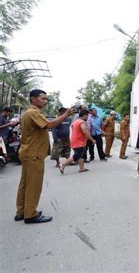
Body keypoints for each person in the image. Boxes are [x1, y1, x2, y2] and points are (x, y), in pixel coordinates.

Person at [15, 89, 75, 224]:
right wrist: (66, 114)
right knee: (34, 185)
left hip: (28, 153)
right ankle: (30, 214)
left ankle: (21, 211)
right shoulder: (33, 112)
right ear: (33, 99)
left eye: (46, 99)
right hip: (33, 154)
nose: (46, 101)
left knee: (25, 184)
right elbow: (49, 125)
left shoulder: (30, 112)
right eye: (43, 98)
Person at [59, 109, 96, 174]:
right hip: (79, 142)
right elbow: (85, 132)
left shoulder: (76, 121)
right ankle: (63, 165)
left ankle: (82, 168)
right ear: (84, 115)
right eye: (87, 116)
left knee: (81, 155)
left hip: (75, 140)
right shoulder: (82, 122)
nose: (88, 117)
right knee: (77, 155)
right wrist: (92, 139)